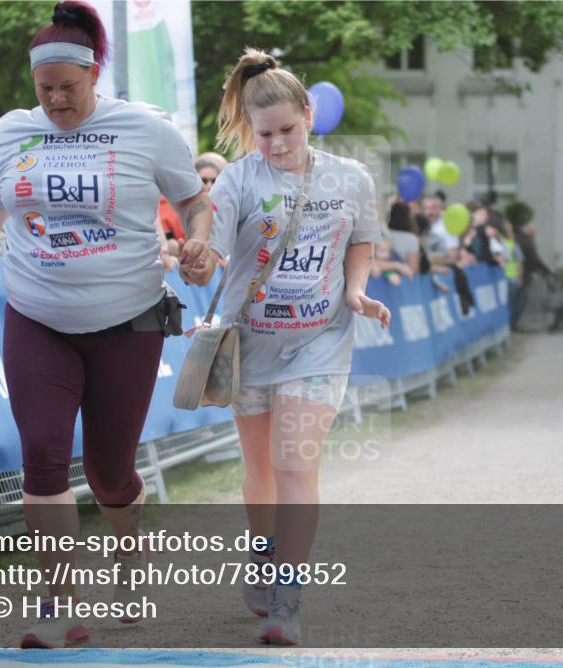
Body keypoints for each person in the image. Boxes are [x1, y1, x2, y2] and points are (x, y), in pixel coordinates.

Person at [0, 1, 213, 647]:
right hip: (37, 316)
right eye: (45, 88)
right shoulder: (10, 132)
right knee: (43, 455)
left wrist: (199, 243)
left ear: (94, 77)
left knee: (113, 471)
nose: (56, 99)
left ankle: (128, 555)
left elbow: (196, 202)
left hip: (128, 318)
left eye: (69, 87)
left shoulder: (146, 129)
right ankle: (60, 605)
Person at [189, 47, 390, 646]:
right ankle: (264, 555)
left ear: (309, 114)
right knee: (260, 473)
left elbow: (361, 239)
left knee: (295, 463)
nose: (276, 144)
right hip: (249, 342)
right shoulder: (238, 179)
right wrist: (200, 262)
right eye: (264, 133)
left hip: (320, 343)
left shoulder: (350, 177)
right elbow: (217, 253)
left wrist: (355, 293)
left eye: (287, 130)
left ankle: (288, 593)